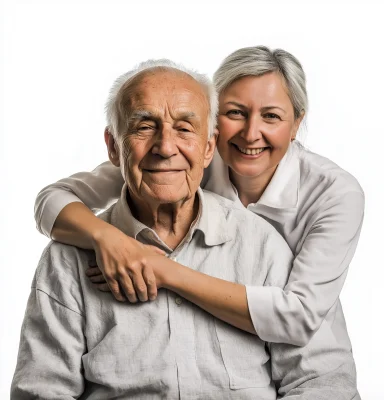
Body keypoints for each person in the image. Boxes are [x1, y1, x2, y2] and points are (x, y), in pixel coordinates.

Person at [12, 60, 357, 399]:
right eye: (144, 126)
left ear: (209, 146)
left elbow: (321, 381)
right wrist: (107, 239)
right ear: (114, 147)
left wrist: (164, 270)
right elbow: (43, 390)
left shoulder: (271, 241)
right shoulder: (68, 259)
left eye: (185, 128)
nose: (165, 147)